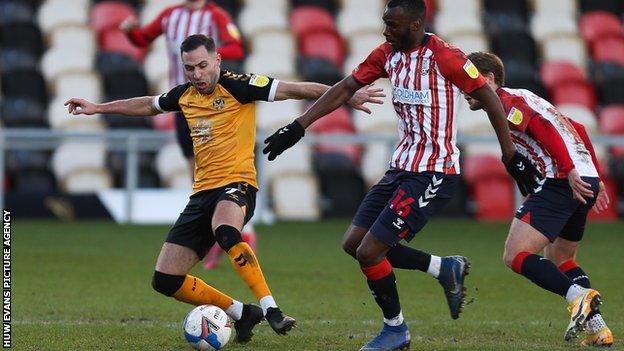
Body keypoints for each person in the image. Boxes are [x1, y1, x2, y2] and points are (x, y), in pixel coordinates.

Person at [65, 34, 383, 344]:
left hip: (238, 186)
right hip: (201, 194)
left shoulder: (240, 85)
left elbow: (295, 89)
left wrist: (347, 94)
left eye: (203, 66)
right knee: (165, 280)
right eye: (190, 68)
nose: (197, 74)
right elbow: (148, 105)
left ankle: (272, 308)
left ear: (217, 59)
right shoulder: (184, 95)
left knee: (226, 230)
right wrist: (98, 108)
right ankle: (241, 312)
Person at [261, 1, 542, 350]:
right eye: (384, 23)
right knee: (354, 245)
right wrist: (298, 126)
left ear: (415, 24)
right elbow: (346, 87)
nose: (385, 30)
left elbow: (486, 93)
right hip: (400, 168)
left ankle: (396, 331)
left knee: (369, 252)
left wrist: (509, 154)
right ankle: (443, 267)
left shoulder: (445, 57)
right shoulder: (386, 54)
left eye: (392, 25)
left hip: (434, 172)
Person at [465, 52, 613, 347]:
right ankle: (599, 330)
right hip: (583, 179)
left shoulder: (506, 104)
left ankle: (578, 297)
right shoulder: (525, 96)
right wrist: (593, 174)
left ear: (489, 79)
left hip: (561, 180)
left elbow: (543, 129)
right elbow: (578, 129)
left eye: (468, 80)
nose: (462, 88)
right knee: (561, 259)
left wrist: (570, 171)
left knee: (514, 255)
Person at [119, 0, 255, 270]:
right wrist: (129, 31)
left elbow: (237, 46)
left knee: (219, 174)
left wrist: (202, 58)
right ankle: (218, 236)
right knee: (199, 176)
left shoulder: (216, 15)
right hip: (185, 105)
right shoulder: (170, 15)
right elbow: (142, 38)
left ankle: (237, 234)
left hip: (215, 103)